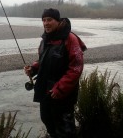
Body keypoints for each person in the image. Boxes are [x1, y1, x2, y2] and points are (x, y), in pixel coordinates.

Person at [24, 8, 87, 138]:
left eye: (49, 20)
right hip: (45, 91)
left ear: (58, 21)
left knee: (66, 129)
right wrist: (33, 69)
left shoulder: (70, 39)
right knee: (47, 121)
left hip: (63, 94)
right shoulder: (45, 40)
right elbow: (43, 60)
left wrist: (60, 88)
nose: (46, 23)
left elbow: (76, 68)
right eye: (44, 20)